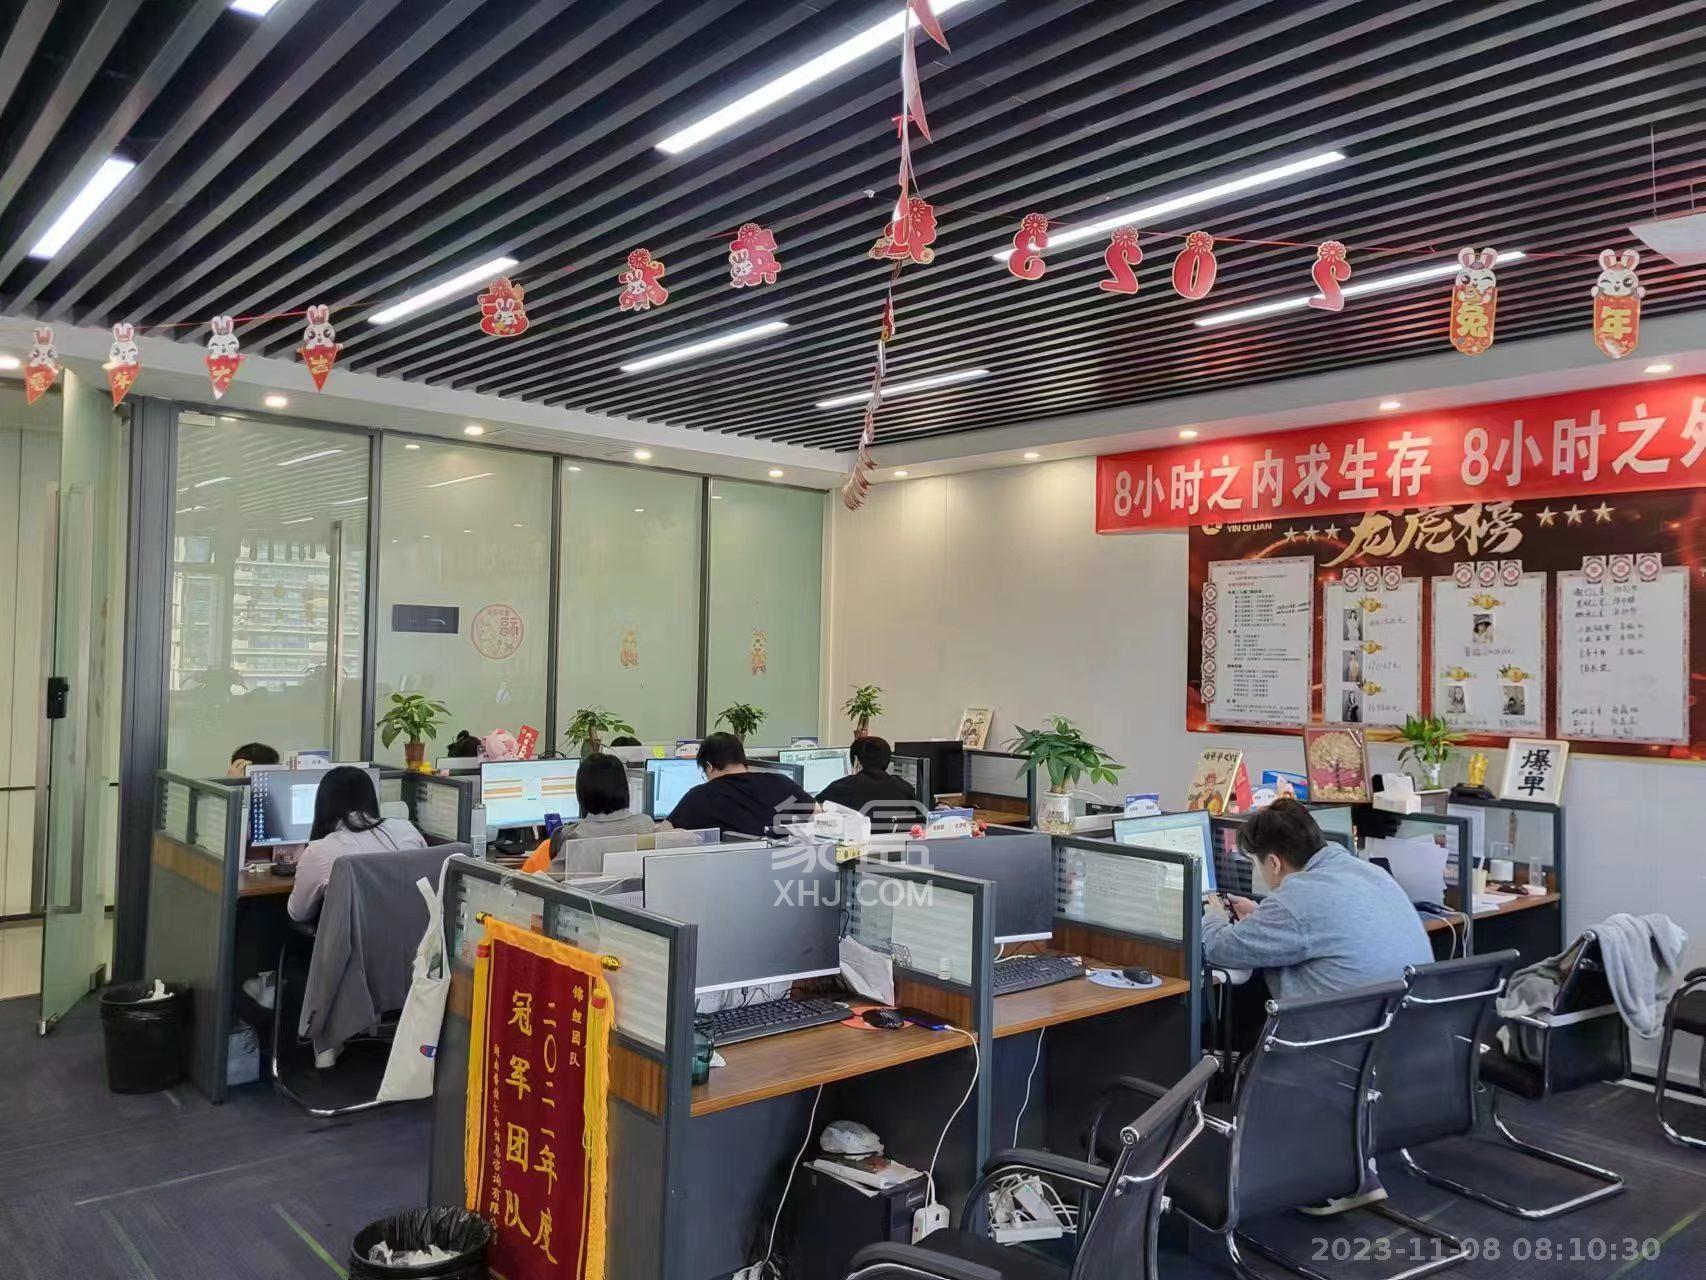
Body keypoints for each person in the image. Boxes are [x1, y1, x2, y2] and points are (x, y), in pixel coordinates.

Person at [1202, 798, 1431, 1001]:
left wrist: (1213, 916)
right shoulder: (1370, 873)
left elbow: (1219, 948)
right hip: (1412, 1026)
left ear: (1274, 863)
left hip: (1345, 1033)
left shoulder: (1295, 900)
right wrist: (1262, 914)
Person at [287, 766, 426, 922]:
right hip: (415, 933)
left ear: (324, 804)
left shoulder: (319, 851)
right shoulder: (406, 829)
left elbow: (299, 913)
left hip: (356, 936)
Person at [521, 753, 658, 874]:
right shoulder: (646, 824)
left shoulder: (578, 836)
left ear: (582, 792)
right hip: (633, 896)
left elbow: (549, 882)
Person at [665, 732, 815, 837]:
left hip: (729, 869)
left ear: (709, 767)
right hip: (781, 867)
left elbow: (663, 833)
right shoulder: (781, 782)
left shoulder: (699, 796)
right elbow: (817, 813)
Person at [816, 736, 922, 825]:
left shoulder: (841, 787)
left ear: (856, 760)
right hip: (896, 842)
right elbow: (921, 820)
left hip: (857, 842)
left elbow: (813, 809)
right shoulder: (904, 787)